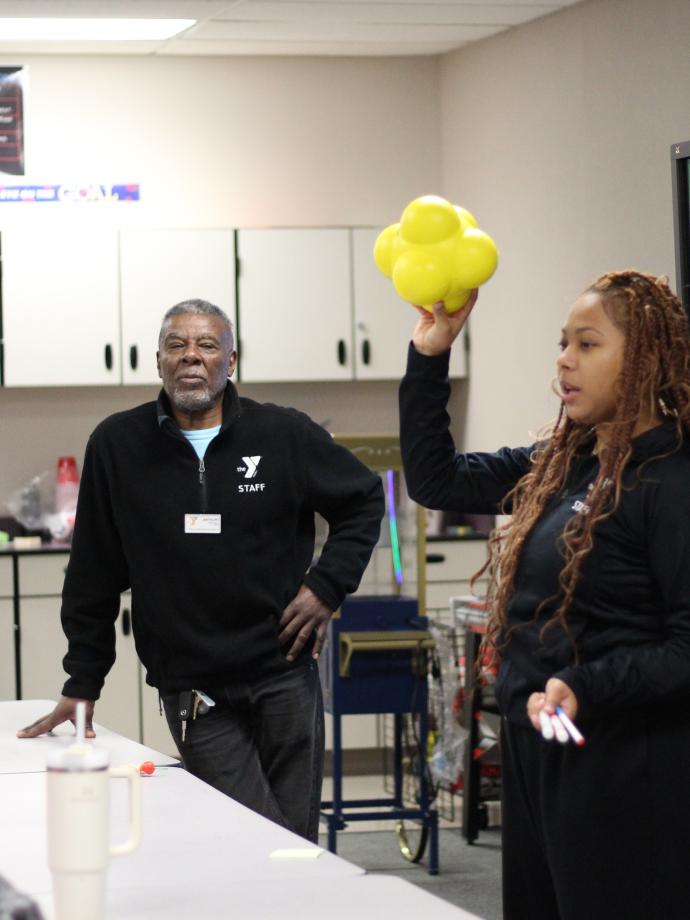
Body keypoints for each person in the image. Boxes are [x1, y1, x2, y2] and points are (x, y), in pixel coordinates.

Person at [18, 298, 384, 844]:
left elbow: (363, 500)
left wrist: (326, 587)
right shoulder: (117, 446)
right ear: (158, 361)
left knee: (296, 847)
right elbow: (92, 573)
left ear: (230, 362)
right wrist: (82, 679)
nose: (191, 356)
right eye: (177, 345)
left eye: (207, 345)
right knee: (252, 837)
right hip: (194, 690)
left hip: (284, 676)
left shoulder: (283, 435)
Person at [399, 271, 690, 920]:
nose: (564, 359)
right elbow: (436, 478)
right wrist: (430, 354)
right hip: (540, 753)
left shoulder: (669, 478)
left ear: (647, 356)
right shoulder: (563, 461)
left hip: (620, 765)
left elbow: (686, 646)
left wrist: (587, 685)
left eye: (587, 344)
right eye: (564, 343)